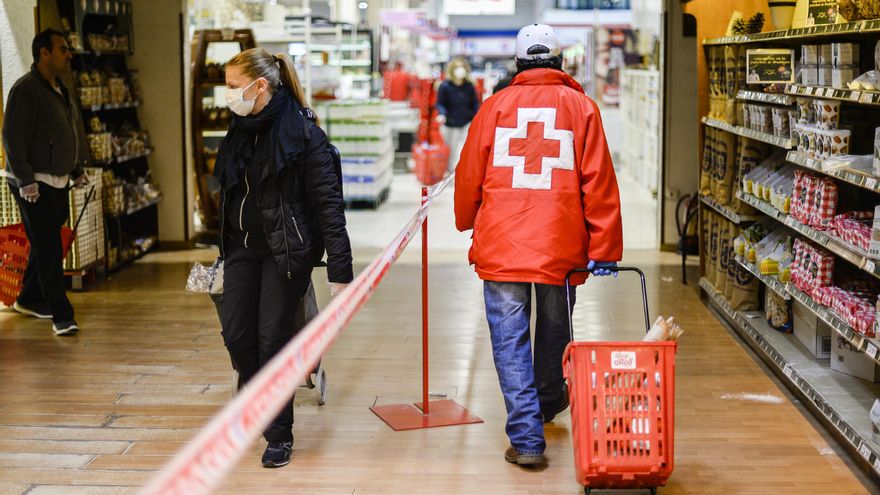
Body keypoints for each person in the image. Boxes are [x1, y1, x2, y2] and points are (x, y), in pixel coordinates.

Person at [454, 24, 623, 467]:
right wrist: (604, 247)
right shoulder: (582, 108)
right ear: (561, 61)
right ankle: (549, 398)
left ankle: (527, 436)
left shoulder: (493, 107)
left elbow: (469, 173)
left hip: (502, 242)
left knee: (509, 338)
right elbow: (598, 182)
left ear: (517, 64)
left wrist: (467, 219)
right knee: (555, 328)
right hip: (560, 243)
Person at [214, 47, 353, 468]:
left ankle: (278, 433)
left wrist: (340, 269)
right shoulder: (239, 129)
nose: (228, 95)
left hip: (286, 253)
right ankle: (256, 398)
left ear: (261, 86)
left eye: (234, 87)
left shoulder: (303, 134)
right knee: (238, 335)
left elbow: (329, 204)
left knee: (272, 338)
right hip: (242, 247)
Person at [3, 28, 89, 336]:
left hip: (58, 179)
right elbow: (12, 138)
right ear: (44, 53)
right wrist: (26, 181)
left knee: (48, 239)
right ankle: (62, 316)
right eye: (63, 49)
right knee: (50, 247)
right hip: (32, 183)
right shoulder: (26, 89)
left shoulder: (59, 87)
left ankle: (27, 297)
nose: (68, 54)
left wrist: (76, 168)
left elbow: (65, 132)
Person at [435, 57, 480, 174]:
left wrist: (478, 116)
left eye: (462, 67)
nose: (460, 70)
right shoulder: (445, 86)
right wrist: (442, 114)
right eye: (457, 67)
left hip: (466, 122)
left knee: (464, 150)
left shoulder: (469, 86)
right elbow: (440, 103)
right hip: (450, 123)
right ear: (452, 69)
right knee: (451, 150)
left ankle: (461, 172)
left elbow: (475, 104)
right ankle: (449, 172)